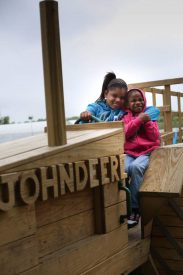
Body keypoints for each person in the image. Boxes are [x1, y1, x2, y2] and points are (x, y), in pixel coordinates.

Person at [123, 88, 160, 228]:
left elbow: (154, 137)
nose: (138, 102)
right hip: (130, 152)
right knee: (123, 168)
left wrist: (147, 121)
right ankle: (123, 205)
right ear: (127, 104)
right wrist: (138, 121)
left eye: (140, 100)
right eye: (133, 100)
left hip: (146, 152)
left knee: (136, 167)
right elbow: (125, 133)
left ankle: (134, 209)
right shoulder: (125, 117)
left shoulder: (149, 115)